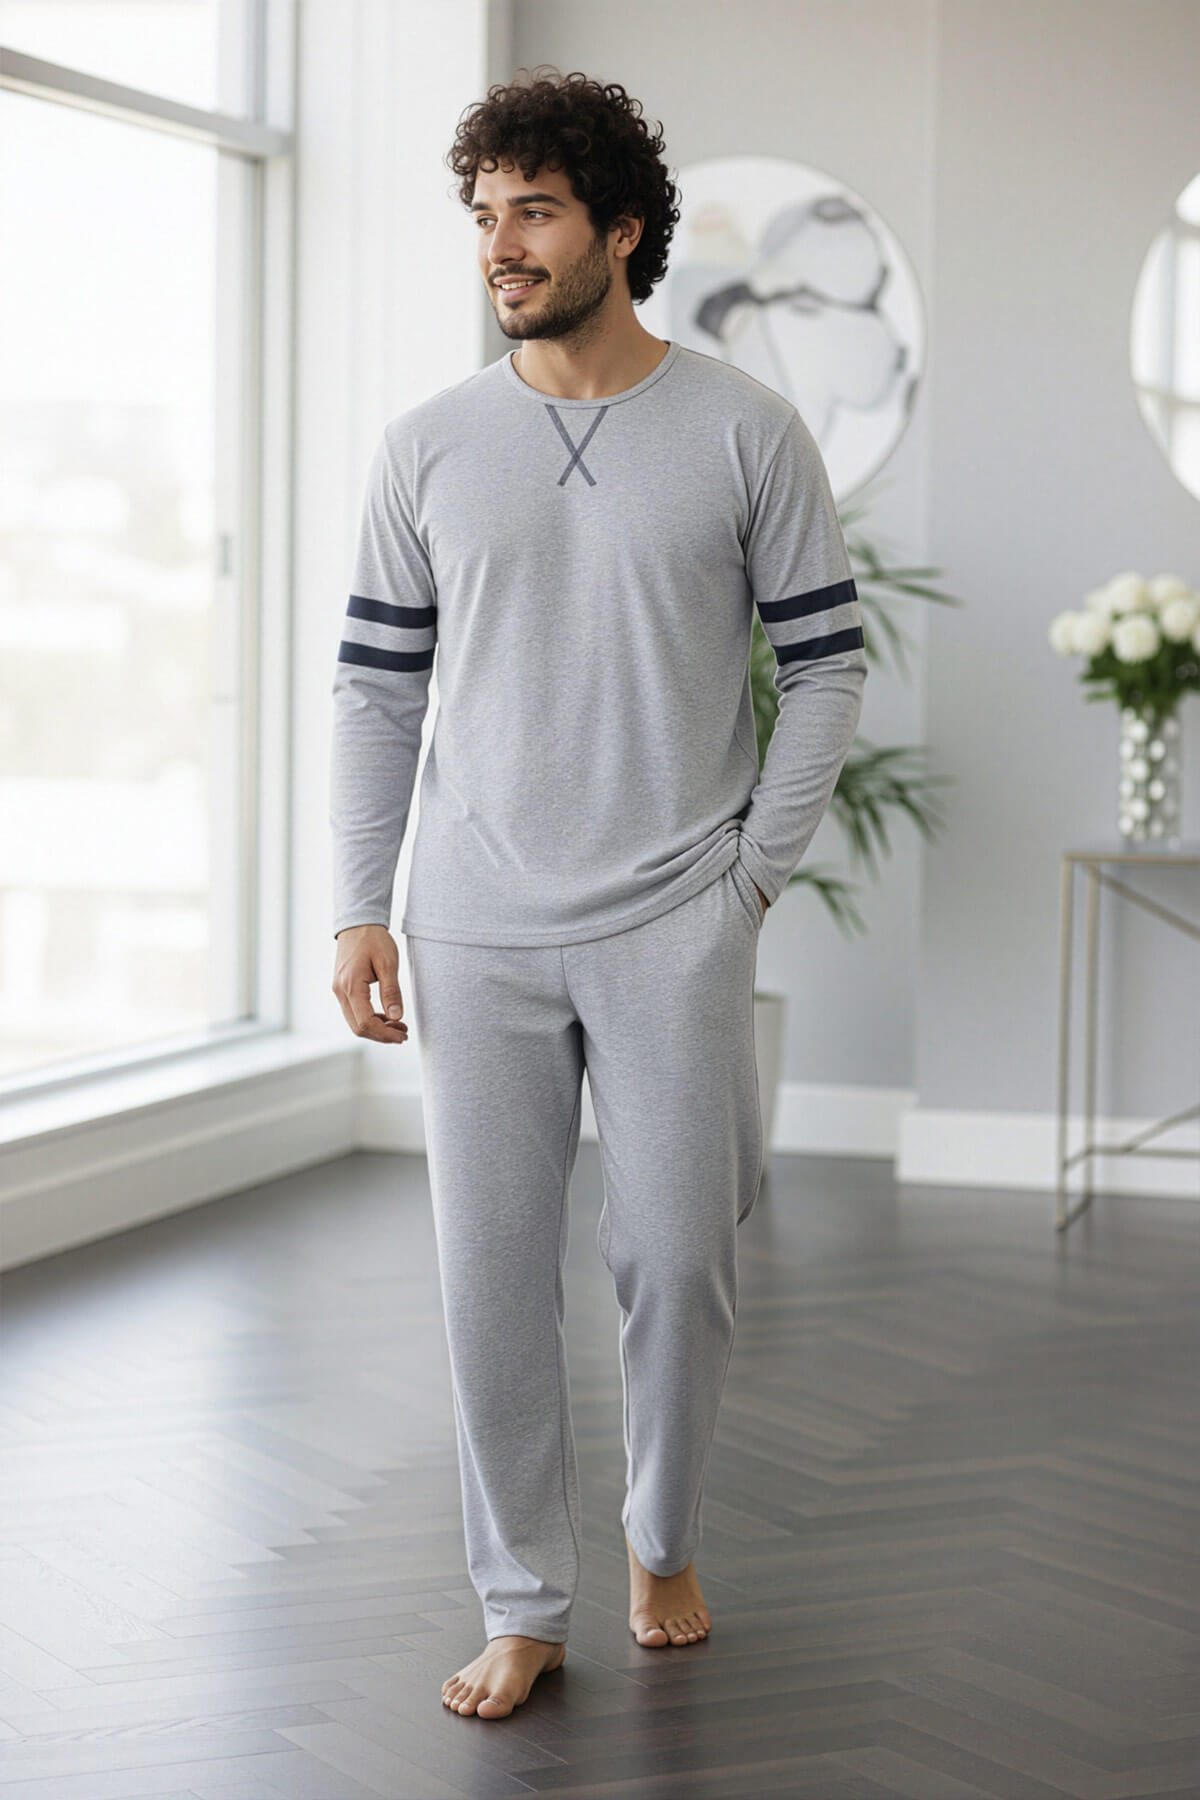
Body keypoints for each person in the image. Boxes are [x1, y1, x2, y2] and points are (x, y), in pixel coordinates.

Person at [329, 66, 867, 1722]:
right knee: (490, 1280)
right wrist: (360, 903)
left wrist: (749, 877)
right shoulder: (426, 446)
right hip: (473, 921)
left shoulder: (744, 429)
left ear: (621, 231)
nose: (503, 244)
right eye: (486, 215)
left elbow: (827, 668)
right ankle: (522, 1601)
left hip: (673, 916)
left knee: (679, 1260)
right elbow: (376, 692)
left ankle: (662, 1536)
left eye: (537, 212)